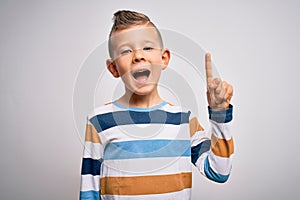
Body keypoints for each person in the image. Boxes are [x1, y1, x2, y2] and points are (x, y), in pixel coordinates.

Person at [79, 10, 234, 200]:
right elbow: (89, 191)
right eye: (126, 50)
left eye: (147, 47)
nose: (138, 56)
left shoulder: (184, 121)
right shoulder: (99, 120)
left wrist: (219, 113)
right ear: (113, 68)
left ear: (164, 58)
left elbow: (219, 171)